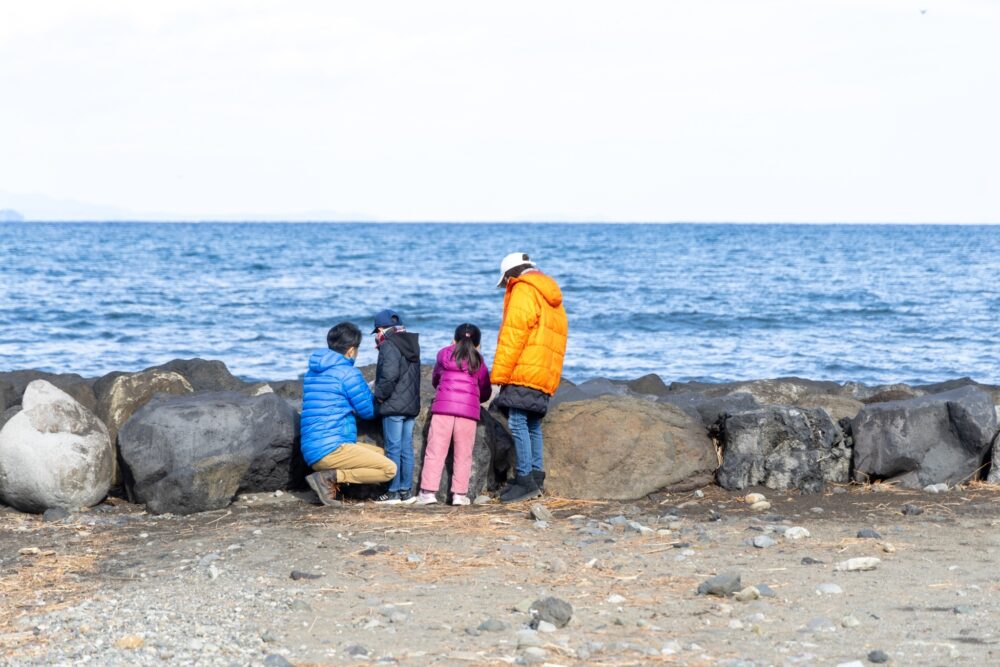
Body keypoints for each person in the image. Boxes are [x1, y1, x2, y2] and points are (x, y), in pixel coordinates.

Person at [491, 252, 568, 503]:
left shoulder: (524, 290)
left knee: (517, 422)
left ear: (512, 274)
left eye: (504, 282)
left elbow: (513, 336)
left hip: (525, 368)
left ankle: (525, 480)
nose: (505, 287)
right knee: (532, 423)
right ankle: (536, 477)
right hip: (544, 370)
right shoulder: (549, 294)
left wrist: (499, 375)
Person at [301, 322, 396, 505]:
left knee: (384, 455)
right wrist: (375, 393)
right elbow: (368, 411)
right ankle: (328, 478)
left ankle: (330, 483)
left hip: (312, 450)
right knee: (389, 468)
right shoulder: (348, 373)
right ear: (351, 350)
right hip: (333, 449)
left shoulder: (312, 372)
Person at [416, 323, 492, 506]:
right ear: (478, 345)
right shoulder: (479, 361)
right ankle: (459, 495)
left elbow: (436, 379)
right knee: (464, 454)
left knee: (435, 451)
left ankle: (427, 493)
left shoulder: (444, 354)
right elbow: (485, 390)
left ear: (453, 340)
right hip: (467, 413)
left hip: (443, 410)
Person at [371, 309, 421, 504]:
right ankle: (405, 492)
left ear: (382, 329)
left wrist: (380, 396)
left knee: (393, 448)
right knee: (406, 448)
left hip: (393, 405)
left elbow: (390, 375)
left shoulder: (388, 345)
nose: (376, 336)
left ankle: (392, 492)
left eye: (376, 331)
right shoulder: (411, 343)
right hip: (410, 405)